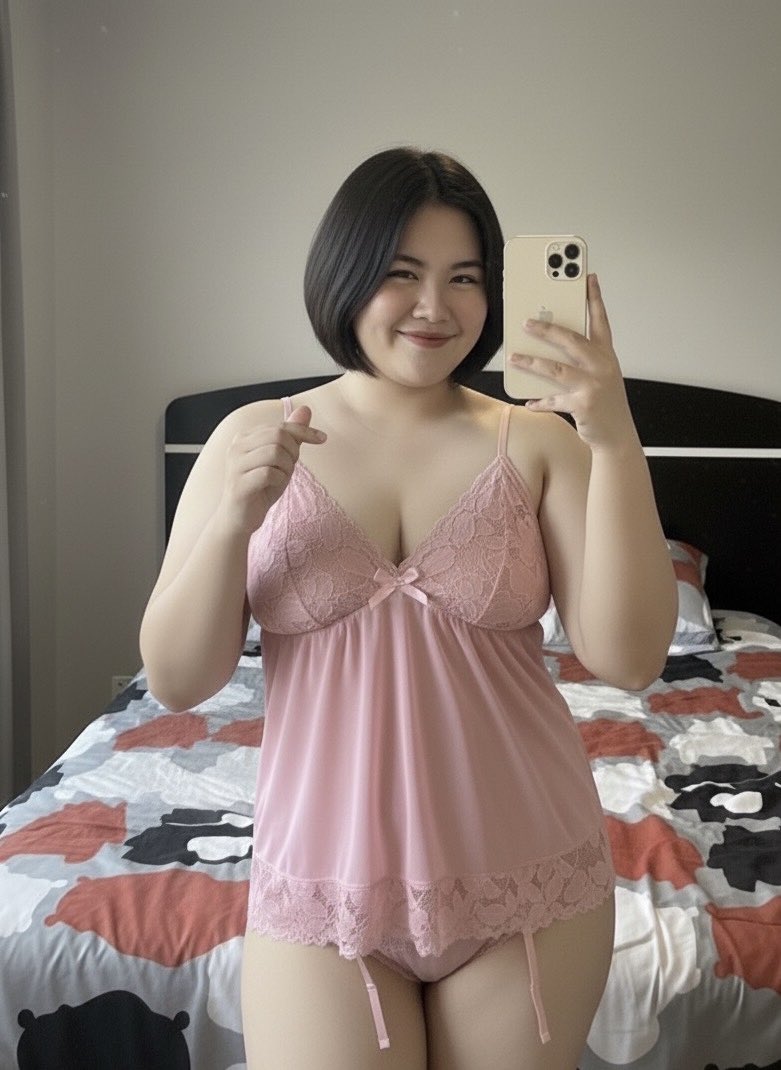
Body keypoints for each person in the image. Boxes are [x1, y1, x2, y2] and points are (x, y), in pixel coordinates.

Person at [139, 147, 678, 1070]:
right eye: (402, 272)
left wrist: (615, 437)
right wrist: (233, 518)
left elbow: (629, 659)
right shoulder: (249, 438)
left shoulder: (540, 443)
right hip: (324, 891)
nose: (435, 306)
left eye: (464, 277)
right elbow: (178, 681)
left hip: (527, 879)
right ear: (344, 274)